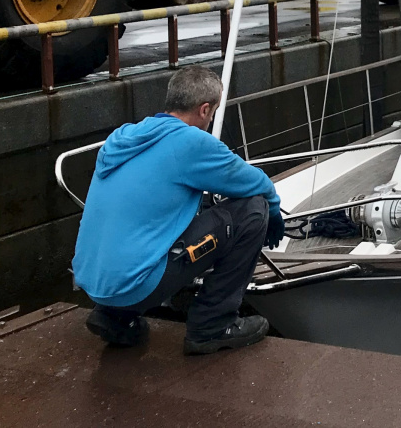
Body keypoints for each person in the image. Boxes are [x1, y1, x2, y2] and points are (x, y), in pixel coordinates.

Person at [73, 66, 285, 355]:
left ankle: (114, 317)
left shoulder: (123, 137)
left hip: (94, 282)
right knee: (253, 210)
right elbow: (257, 184)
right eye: (212, 113)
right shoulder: (192, 142)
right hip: (136, 285)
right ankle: (212, 326)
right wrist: (273, 212)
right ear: (205, 109)